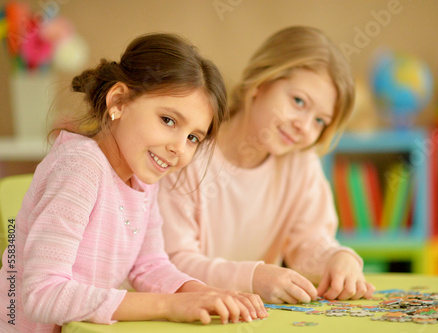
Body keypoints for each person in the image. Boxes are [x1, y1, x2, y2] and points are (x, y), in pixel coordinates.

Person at [0, 33, 267, 333]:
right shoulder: (80, 168)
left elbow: (149, 265)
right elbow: (41, 294)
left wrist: (204, 293)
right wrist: (169, 305)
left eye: (193, 138)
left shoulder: (142, 179)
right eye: (168, 120)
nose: (179, 148)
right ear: (118, 102)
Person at [158, 26, 375, 304]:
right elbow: (173, 263)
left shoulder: (300, 164)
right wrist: (253, 278)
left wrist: (338, 258)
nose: (304, 126)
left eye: (320, 121)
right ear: (260, 83)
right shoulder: (188, 152)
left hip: (249, 316)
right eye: (298, 101)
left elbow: (308, 244)